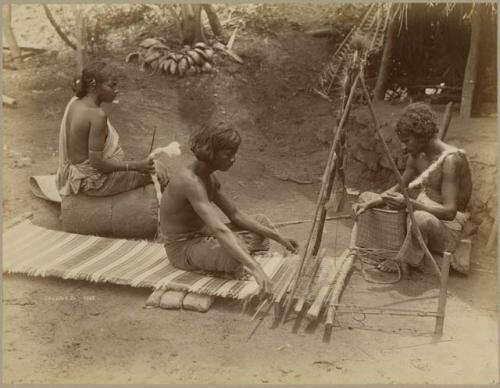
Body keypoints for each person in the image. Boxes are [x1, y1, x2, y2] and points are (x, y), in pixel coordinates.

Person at [160, 123, 299, 294]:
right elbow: (219, 229)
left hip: (204, 236)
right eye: (228, 154)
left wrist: (279, 237)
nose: (233, 159)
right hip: (182, 249)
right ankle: (235, 257)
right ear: (211, 152)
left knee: (261, 223)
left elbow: (235, 214)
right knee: (234, 254)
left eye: (234, 153)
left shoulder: (210, 178)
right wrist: (256, 268)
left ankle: (236, 254)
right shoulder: (190, 181)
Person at [353, 102, 472, 277]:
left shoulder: (451, 161)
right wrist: (373, 202)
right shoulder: (417, 156)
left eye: (407, 141)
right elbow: (399, 189)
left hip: (446, 230)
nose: (403, 147)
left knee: (420, 218)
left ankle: (402, 261)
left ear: (422, 136)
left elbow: (449, 212)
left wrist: (410, 204)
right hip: (416, 216)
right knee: (366, 197)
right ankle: (399, 250)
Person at [56, 61, 155, 197]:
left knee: (142, 166)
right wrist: (136, 165)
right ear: (93, 85)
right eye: (111, 85)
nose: (116, 90)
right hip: (94, 183)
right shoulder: (97, 115)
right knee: (157, 172)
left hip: (76, 173)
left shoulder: (75, 102)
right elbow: (97, 163)